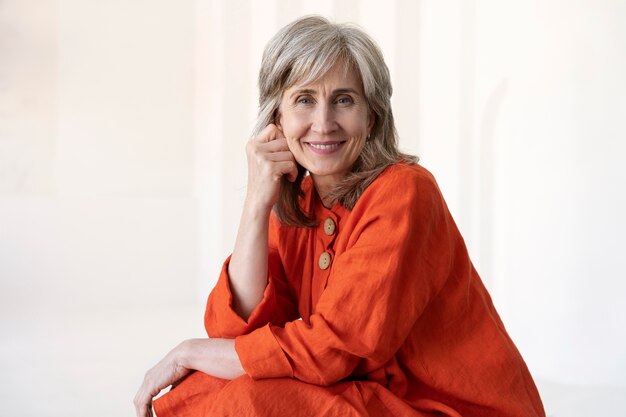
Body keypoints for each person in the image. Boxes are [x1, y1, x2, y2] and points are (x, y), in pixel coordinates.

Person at [134, 15, 545, 417]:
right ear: (277, 118)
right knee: (203, 387)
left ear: (373, 116)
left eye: (343, 100)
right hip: (369, 394)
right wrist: (257, 202)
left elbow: (334, 348)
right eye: (305, 100)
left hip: (444, 406)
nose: (323, 123)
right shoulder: (300, 201)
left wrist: (189, 351)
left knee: (253, 402)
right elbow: (234, 332)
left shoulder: (405, 191)